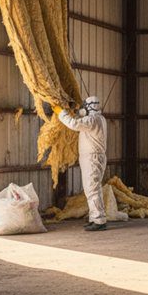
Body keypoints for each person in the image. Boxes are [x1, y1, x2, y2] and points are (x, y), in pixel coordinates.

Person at [52, 96, 109, 232]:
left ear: (89, 107)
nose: (82, 109)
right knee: (91, 189)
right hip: (92, 158)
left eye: (84, 106)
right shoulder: (98, 119)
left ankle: (99, 220)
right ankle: (94, 218)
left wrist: (61, 112)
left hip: (92, 158)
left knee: (92, 189)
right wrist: (74, 111)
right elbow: (80, 118)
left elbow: (74, 124)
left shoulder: (92, 120)